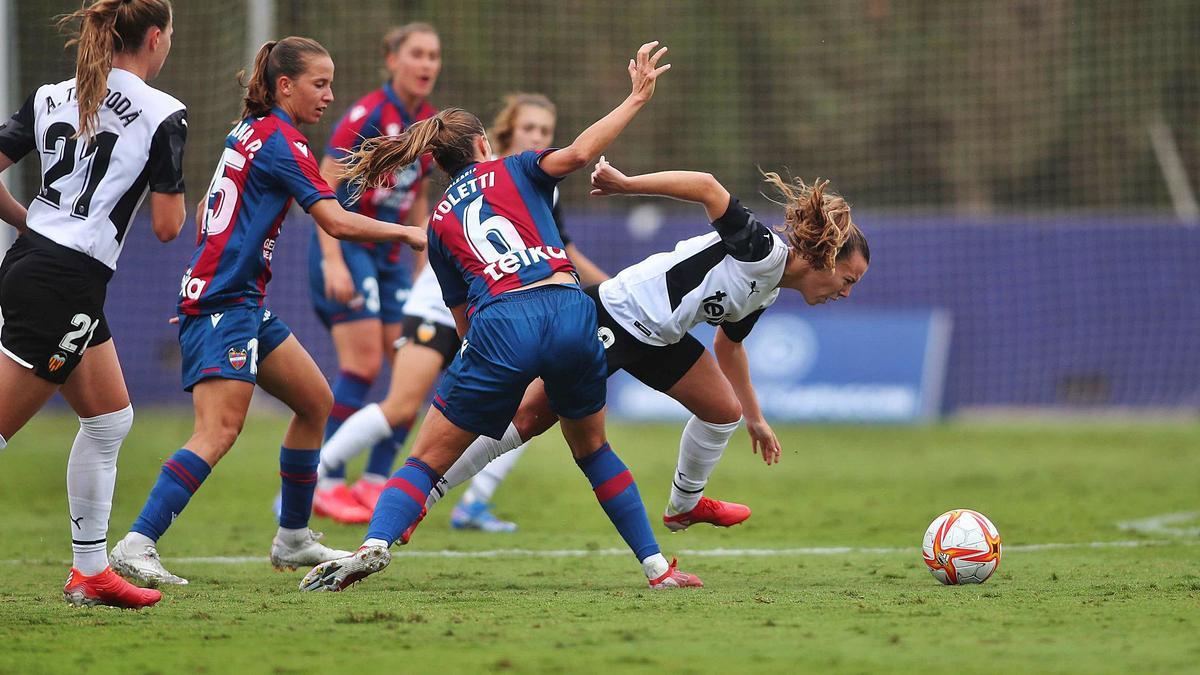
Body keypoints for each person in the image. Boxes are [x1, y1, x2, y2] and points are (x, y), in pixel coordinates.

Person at [300, 41, 702, 592]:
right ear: (484, 143)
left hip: (501, 322)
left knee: (423, 460)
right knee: (594, 450)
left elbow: (462, 318)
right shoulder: (520, 168)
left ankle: (372, 545)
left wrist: (491, 371)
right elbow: (582, 153)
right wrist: (635, 98)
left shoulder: (438, 220)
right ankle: (658, 570)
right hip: (570, 308)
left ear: (436, 164)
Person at [106, 36, 426, 587]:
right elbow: (337, 221)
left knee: (315, 401)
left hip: (235, 300)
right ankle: (137, 543)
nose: (328, 95)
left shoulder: (247, 131)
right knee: (219, 430)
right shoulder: (283, 141)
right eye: (318, 84)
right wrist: (409, 232)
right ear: (285, 86)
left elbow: (212, 207)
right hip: (224, 303)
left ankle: (294, 536)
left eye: (330, 83)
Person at [414, 157, 870, 537]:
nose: (846, 293)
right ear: (824, 260)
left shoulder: (766, 290)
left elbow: (728, 348)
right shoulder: (763, 251)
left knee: (722, 411)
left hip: (659, 338)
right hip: (615, 313)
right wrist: (625, 184)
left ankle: (683, 507)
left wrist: (754, 417)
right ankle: (423, 495)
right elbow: (708, 187)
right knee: (527, 419)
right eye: (847, 280)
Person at [313, 93, 608, 531]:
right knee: (401, 407)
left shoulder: (537, 177)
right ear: (500, 134)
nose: (539, 137)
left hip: (494, 313)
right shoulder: (517, 171)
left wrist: (601, 283)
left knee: (533, 405)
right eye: (530, 128)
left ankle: (468, 501)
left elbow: (559, 249)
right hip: (445, 306)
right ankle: (311, 480)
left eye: (546, 131)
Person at [0, 0, 183, 609]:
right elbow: (166, 226)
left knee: (108, 420)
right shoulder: (164, 113)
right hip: (67, 280)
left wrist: (29, 222)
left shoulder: (55, 92)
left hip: (40, 263)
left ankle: (90, 572)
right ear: (154, 37)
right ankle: (90, 572)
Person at [305, 24, 441, 522]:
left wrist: (424, 262)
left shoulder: (428, 123)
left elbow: (417, 193)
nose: (427, 64)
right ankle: (327, 480)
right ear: (392, 60)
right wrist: (333, 258)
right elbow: (323, 185)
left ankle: (375, 480)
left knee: (410, 368)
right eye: (417, 54)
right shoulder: (366, 116)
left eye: (433, 56)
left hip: (390, 255)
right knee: (362, 366)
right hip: (352, 246)